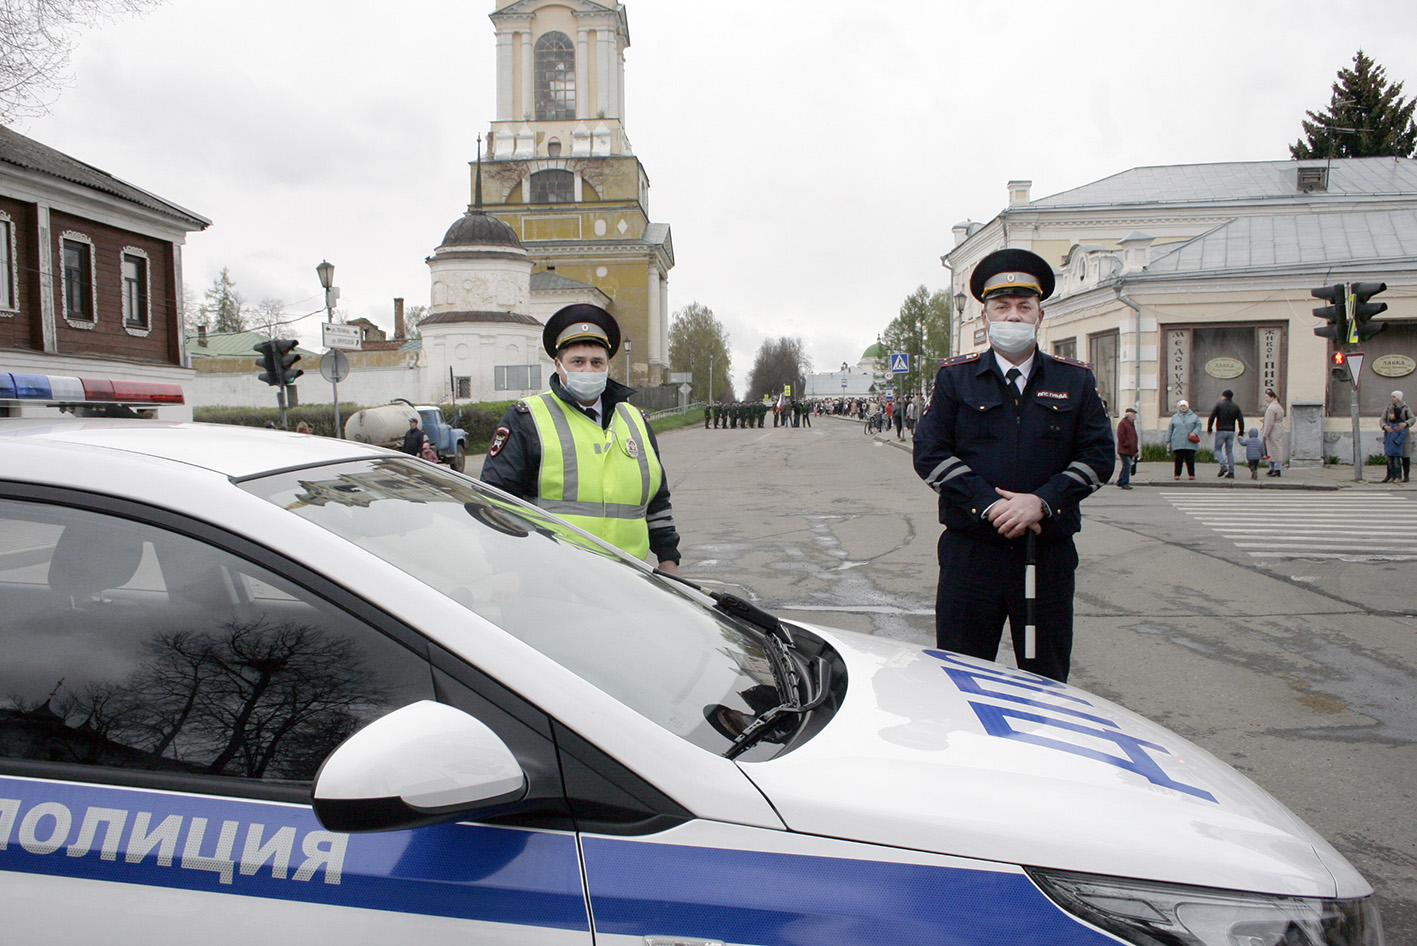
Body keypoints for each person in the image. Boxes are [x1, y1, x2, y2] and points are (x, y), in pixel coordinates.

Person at [912, 247, 1113, 682]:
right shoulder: (955, 378)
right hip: (972, 556)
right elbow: (930, 453)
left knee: (1046, 679)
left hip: (1046, 558)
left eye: (1025, 306)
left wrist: (1041, 503)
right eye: (1002, 307)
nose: (1014, 316)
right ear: (985, 317)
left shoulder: (1074, 380)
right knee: (963, 678)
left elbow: (1099, 457)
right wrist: (989, 504)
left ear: (1041, 315)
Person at [480, 303, 682, 574]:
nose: (588, 370)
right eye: (578, 362)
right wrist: (502, 570)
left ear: (607, 366)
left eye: (597, 362)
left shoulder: (636, 421)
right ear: (558, 365)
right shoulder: (527, 419)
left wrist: (668, 560)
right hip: (549, 578)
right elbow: (496, 503)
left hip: (629, 578)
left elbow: (657, 501)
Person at [1207, 389, 1243, 478]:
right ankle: (1231, 471)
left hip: (1221, 430)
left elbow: (1212, 417)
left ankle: (1223, 465)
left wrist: (1209, 428)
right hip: (1231, 431)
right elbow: (1240, 420)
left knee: (1218, 449)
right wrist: (1241, 431)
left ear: (1224, 396)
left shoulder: (1219, 405)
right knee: (1229, 451)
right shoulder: (1236, 406)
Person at [1382, 390, 1414, 483]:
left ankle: (1406, 476)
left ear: (1399, 398)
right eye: (1391, 397)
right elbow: (1382, 419)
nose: (1392, 399)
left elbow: (1412, 418)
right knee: (1390, 456)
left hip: (1402, 434)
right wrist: (1385, 426)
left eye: (1394, 397)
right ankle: (1389, 475)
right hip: (1391, 434)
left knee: (1405, 456)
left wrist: (1405, 424)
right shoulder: (1388, 407)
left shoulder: (1405, 407)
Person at [1166, 400, 1202, 480]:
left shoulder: (1194, 416)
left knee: (1190, 459)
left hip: (1190, 442)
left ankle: (1191, 474)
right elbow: (1170, 429)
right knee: (1178, 459)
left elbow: (1199, 425)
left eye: (1184, 406)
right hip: (1177, 441)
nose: (1183, 408)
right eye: (1181, 406)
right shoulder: (1175, 417)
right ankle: (1177, 474)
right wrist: (1168, 440)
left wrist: (1195, 432)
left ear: (1187, 407)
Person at [1261, 389, 1286, 477]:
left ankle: (1276, 468)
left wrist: (1265, 434)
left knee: (1273, 449)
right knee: (1274, 448)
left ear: (1272, 397)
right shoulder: (1278, 406)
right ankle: (1273, 468)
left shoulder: (1271, 408)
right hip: (1278, 428)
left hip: (1273, 430)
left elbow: (1269, 422)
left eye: (1267, 397)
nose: (1266, 399)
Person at [1115, 407, 1138, 489]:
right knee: (1127, 466)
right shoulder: (1123, 423)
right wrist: (1127, 444)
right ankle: (1125, 483)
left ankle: (1121, 481)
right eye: (1133, 414)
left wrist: (1135, 450)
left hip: (1130, 449)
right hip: (1124, 449)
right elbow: (1121, 435)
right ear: (1128, 415)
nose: (1134, 416)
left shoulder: (1130, 424)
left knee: (1126, 465)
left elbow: (1133, 437)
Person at [1383, 413, 1407, 484]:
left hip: (1396, 447)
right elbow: (1386, 434)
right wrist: (1385, 442)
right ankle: (1392, 476)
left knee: (1397, 463)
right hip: (1389, 446)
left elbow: (1402, 435)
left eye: (1392, 414)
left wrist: (1397, 442)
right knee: (1390, 463)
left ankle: (1398, 477)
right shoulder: (1389, 424)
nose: (1391, 416)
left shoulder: (1400, 425)